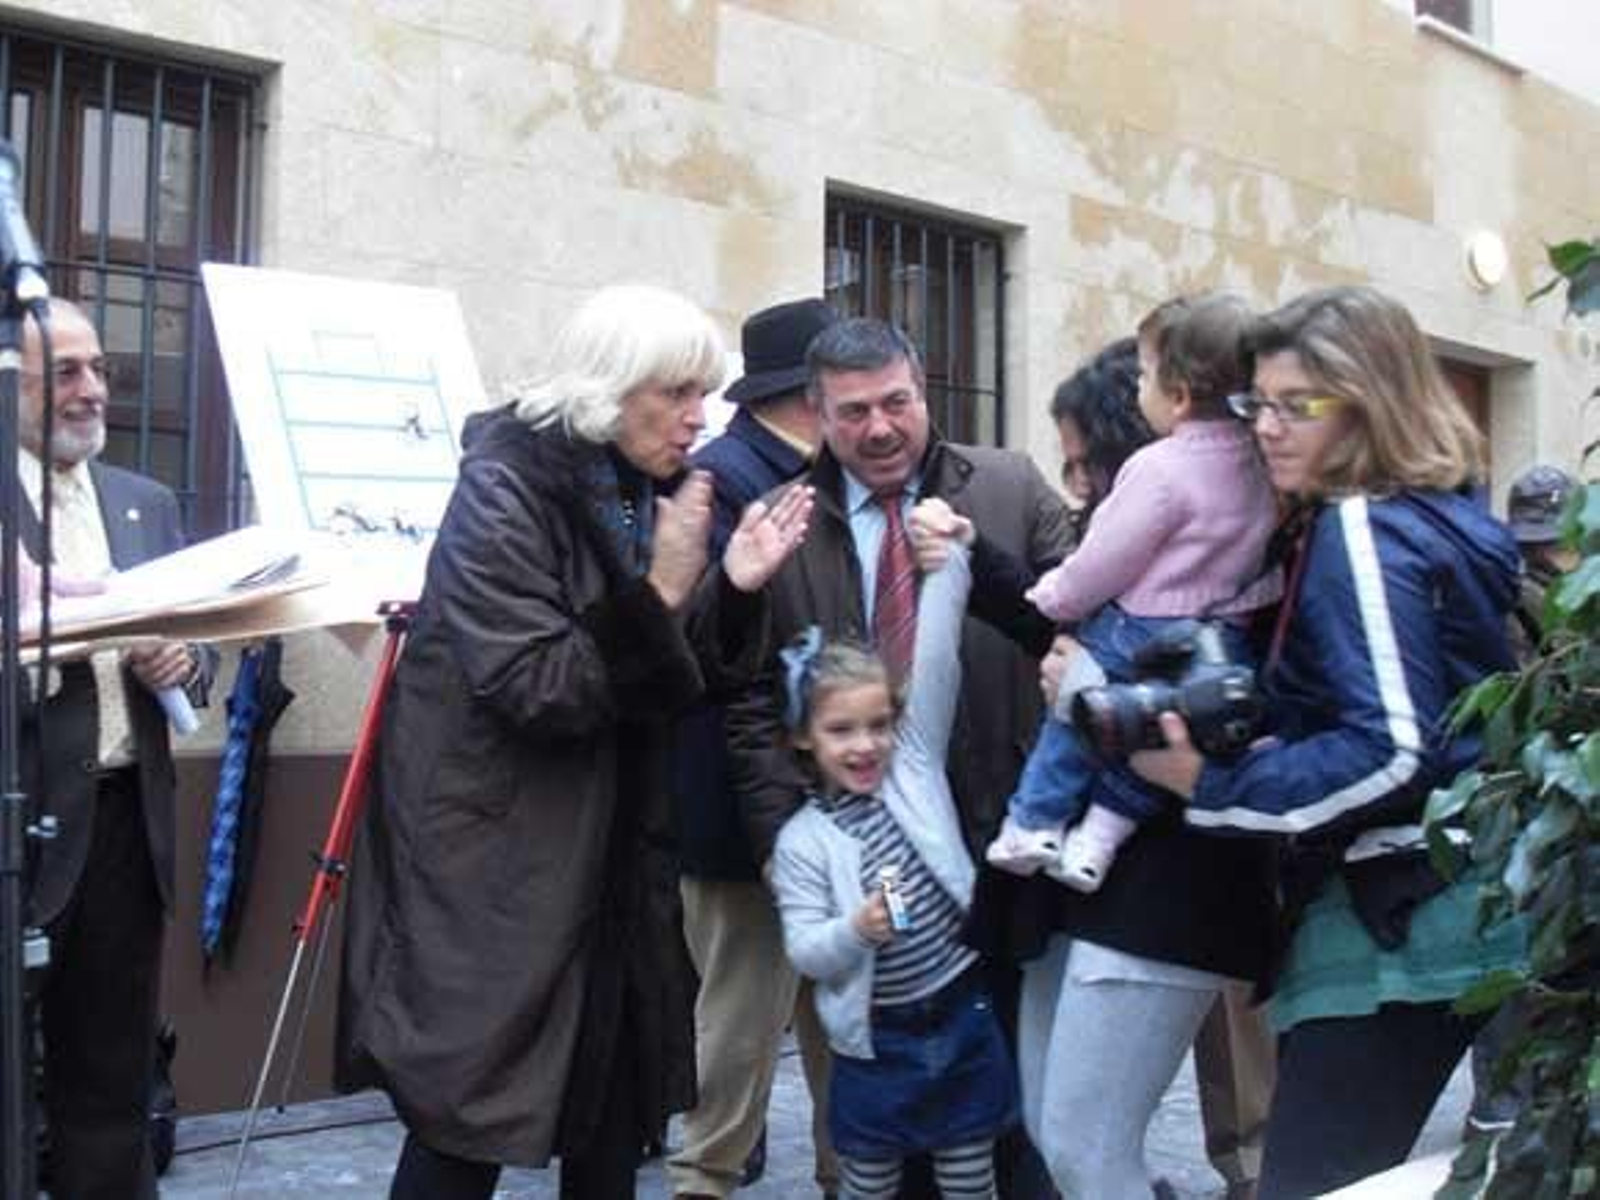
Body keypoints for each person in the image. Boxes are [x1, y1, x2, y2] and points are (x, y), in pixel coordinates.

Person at [335, 283, 813, 1200]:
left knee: (612, 1113)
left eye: (702, 394)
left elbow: (673, 674)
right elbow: (536, 682)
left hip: (614, 858)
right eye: (675, 393)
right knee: (465, 1117)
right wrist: (667, 593)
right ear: (608, 387)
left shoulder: (646, 489)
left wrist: (736, 587)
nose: (697, 418)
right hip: (498, 867)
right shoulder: (506, 486)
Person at [1130, 285, 1527, 1199]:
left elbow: (1390, 747)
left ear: (1370, 398)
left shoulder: (1361, 524)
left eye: (1295, 405)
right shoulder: (1457, 514)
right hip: (1489, 894)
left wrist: (1211, 784)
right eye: (1256, 404)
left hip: (1403, 923)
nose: (1266, 428)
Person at [726, 316, 1074, 1198]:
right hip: (865, 868)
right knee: (890, 1124)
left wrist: (974, 560)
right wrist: (777, 840)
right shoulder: (780, 521)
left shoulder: (1007, 484)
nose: (879, 428)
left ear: (924, 394)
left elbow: (1076, 628)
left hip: (1000, 845)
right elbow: (745, 694)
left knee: (1016, 1115)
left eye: (896, 403)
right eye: (852, 412)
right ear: (817, 414)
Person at [1041, 333, 1278, 1200]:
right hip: (1103, 891)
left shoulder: (1208, 580)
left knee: (1086, 1146)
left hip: (1171, 887)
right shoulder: (1146, 548)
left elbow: (1193, 726)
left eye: (1082, 467)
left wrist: (1080, 692)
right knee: (1069, 1136)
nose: (1077, 490)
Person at [13, 298, 213, 1199]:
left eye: (100, 370)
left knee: (111, 1086)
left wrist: (186, 660)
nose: (92, 391)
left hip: (127, 827)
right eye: (65, 373)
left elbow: (201, 642)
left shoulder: (147, 502)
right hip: (16, 831)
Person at [986, 294, 1280, 891]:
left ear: (1177, 394)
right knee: (1162, 735)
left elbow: (1105, 558)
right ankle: (1097, 839)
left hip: (1141, 627)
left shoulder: (1160, 467)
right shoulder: (1263, 462)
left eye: (1144, 375)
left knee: (1074, 716)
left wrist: (1054, 597)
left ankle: (1034, 823)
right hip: (1228, 639)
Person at [771, 543, 1016, 1200]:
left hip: (963, 1006)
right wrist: (855, 928)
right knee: (870, 1180)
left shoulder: (912, 768)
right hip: (876, 1038)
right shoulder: (802, 843)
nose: (866, 744)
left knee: (971, 1174)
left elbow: (935, 660)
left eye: (879, 725)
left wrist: (952, 562)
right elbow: (805, 950)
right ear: (804, 739)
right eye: (842, 730)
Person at [669, 297, 841, 1200]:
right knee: (736, 1023)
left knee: (842, 1014)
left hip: (826, 796)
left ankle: (853, 1176)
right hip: (738, 806)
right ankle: (702, 1183)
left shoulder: (813, 473)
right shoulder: (719, 479)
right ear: (811, 390)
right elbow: (704, 649)